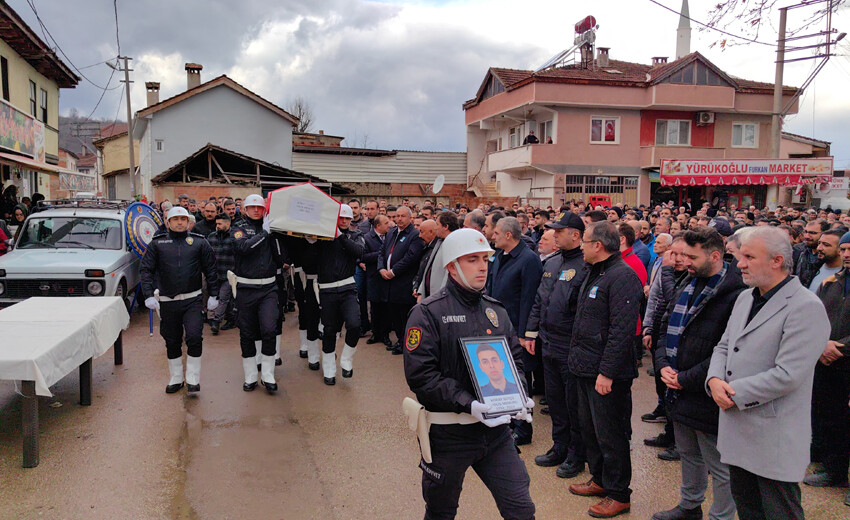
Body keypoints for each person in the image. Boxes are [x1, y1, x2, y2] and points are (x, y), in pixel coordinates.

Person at [403, 228, 535, 520]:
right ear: (451, 266)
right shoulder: (427, 313)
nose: (482, 266)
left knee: (521, 509)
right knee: (441, 511)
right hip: (449, 434)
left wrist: (520, 392)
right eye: (472, 260)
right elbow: (421, 376)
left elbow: (514, 359)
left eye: (485, 259)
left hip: (496, 433)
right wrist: (468, 402)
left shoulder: (496, 311)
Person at [706, 226, 830, 520]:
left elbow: (788, 374)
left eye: (749, 256)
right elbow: (724, 346)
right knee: (748, 508)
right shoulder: (746, 298)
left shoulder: (805, 307)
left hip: (773, 434)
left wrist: (733, 394)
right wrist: (713, 380)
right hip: (738, 426)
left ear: (777, 261)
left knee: (778, 511)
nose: (740, 263)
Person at [651, 228, 745, 520]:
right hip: (676, 386)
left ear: (715, 255)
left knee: (718, 465)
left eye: (692, 256)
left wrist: (686, 378)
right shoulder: (689, 283)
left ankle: (721, 516)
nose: (684, 262)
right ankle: (690, 506)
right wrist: (663, 363)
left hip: (706, 392)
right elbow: (665, 326)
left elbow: (728, 350)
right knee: (688, 453)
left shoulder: (737, 295)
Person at [568, 221, 642, 519]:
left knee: (612, 434)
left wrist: (607, 372)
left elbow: (622, 331)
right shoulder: (595, 272)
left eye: (585, 241)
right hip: (585, 366)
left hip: (607, 373)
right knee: (591, 430)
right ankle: (600, 479)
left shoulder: (622, 276)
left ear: (598, 245)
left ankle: (619, 493)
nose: (582, 246)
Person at [526, 212, 588, 479]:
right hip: (548, 342)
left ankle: (576, 454)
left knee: (572, 403)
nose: (553, 234)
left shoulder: (586, 265)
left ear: (575, 234)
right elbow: (540, 299)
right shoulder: (552, 263)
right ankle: (559, 446)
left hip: (569, 345)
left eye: (559, 231)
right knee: (555, 401)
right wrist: (531, 332)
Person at [141, 206, 219, 394]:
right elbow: (146, 270)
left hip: (192, 299)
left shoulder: (199, 243)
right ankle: (176, 377)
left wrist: (214, 294)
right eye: (175, 219)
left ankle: (192, 378)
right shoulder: (157, 244)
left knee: (194, 336)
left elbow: (211, 270)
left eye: (183, 219)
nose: (179, 222)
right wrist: (149, 294)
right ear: (167, 222)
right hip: (168, 301)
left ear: (188, 222)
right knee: (172, 340)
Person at [486, 217, 543, 445]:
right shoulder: (499, 256)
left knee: (520, 379)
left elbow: (529, 299)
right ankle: (507, 422)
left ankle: (523, 428)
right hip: (497, 326)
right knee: (502, 378)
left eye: (496, 233)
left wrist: (525, 333)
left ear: (508, 235)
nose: (492, 236)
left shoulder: (528, 260)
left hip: (516, 330)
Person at [807, 230, 850, 495]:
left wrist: (841, 347)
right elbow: (815, 317)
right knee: (832, 418)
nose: (847, 255)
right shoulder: (832, 282)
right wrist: (821, 344)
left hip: (845, 358)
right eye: (844, 250)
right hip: (827, 363)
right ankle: (834, 471)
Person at [231, 194, 282, 394]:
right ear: (244, 209)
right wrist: (264, 234)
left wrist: (275, 234)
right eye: (251, 207)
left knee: (269, 329)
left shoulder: (271, 228)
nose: (255, 210)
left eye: (259, 207)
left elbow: (280, 256)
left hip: (269, 288)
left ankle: (268, 373)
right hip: (246, 288)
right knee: (247, 332)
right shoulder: (239, 228)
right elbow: (242, 247)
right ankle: (251, 375)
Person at [316, 204, 365, 385]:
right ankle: (329, 367)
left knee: (354, 325)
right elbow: (309, 258)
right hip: (327, 289)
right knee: (329, 330)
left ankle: (346, 358)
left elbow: (359, 252)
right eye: (340, 218)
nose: (343, 221)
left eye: (347, 218)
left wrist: (340, 236)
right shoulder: (323, 237)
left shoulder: (355, 235)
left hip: (347, 287)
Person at [379, 205, 425, 355]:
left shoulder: (414, 235)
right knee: (394, 314)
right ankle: (399, 340)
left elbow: (411, 258)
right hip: (389, 283)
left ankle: (406, 344)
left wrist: (393, 271)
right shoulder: (391, 232)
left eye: (402, 216)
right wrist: (381, 269)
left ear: (410, 218)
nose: (398, 219)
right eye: (397, 216)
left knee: (404, 314)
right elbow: (382, 252)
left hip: (403, 282)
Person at [415, 211, 458, 301]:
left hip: (441, 299)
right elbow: (428, 268)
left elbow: (449, 275)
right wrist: (421, 291)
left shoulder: (454, 244)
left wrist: (441, 298)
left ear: (446, 226)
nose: (435, 227)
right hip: (430, 296)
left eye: (437, 224)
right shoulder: (439, 242)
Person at [362, 215, 391, 346]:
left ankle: (385, 335)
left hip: (387, 277)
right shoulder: (367, 238)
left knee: (386, 307)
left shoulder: (391, 236)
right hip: (373, 276)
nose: (389, 225)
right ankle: (375, 333)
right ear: (378, 226)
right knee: (374, 307)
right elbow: (362, 256)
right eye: (386, 223)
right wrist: (380, 254)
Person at [207, 213, 236, 335]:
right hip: (215, 273)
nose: (217, 226)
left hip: (229, 274)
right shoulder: (212, 237)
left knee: (223, 297)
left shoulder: (235, 237)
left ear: (227, 223)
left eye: (220, 223)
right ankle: (231, 318)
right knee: (219, 297)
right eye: (216, 223)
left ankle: (216, 321)